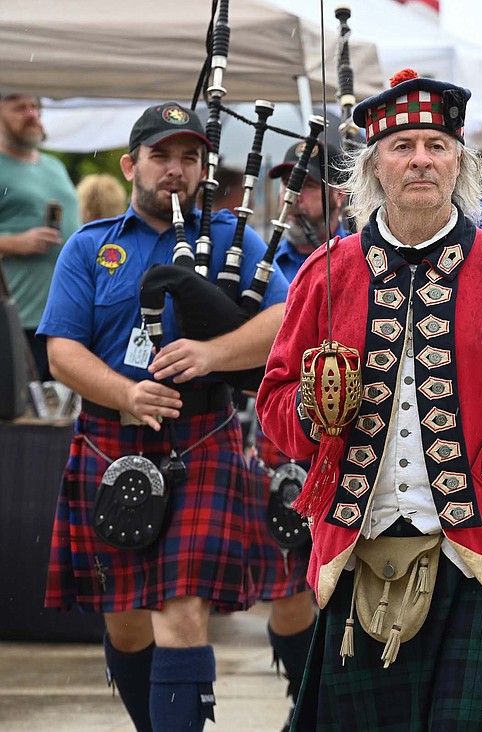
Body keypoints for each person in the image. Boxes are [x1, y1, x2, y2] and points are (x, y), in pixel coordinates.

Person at [256, 69, 482, 731]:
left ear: (460, 164)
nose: (420, 159)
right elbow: (276, 411)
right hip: (359, 552)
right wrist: (312, 410)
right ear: (374, 168)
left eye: (437, 146)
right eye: (402, 146)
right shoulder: (326, 273)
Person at [36, 101, 289, 732]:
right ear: (131, 165)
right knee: (125, 622)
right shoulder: (91, 248)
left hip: (203, 437)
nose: (175, 170)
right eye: (161, 156)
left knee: (180, 609)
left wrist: (213, 353)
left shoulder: (236, 237)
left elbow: (285, 320)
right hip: (109, 442)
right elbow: (61, 351)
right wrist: (126, 394)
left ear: (204, 167)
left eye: (190, 158)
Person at [243, 137, 350, 730]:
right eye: (289, 186)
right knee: (286, 589)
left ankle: (318, 709)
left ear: (339, 194)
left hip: (357, 436)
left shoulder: (362, 256)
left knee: (340, 583)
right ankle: (303, 698)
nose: (295, 199)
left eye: (307, 186)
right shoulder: (266, 258)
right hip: (286, 430)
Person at [0, 94, 79, 381]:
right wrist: (14, 243)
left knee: (60, 421)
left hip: (67, 319)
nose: (31, 114)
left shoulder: (53, 166)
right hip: (18, 322)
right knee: (21, 422)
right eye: (19, 108)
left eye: (35, 106)